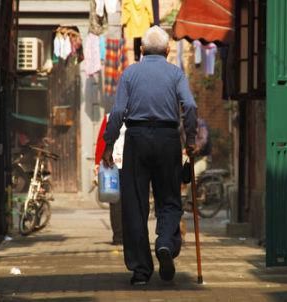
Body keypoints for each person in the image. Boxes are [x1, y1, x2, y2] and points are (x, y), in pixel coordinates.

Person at [101, 25, 198, 285]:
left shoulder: (130, 74)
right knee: (169, 199)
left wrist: (109, 145)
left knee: (135, 205)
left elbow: (119, 111)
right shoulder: (176, 74)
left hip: (136, 140)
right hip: (168, 141)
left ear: (141, 50)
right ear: (168, 51)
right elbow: (189, 105)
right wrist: (190, 140)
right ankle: (165, 243)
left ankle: (141, 271)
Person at [94, 113, 126, 245]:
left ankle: (118, 237)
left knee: (116, 202)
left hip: (116, 163)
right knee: (126, 202)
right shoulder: (138, 113)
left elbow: (102, 140)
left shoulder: (109, 116)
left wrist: (97, 162)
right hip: (122, 164)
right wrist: (97, 162)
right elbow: (101, 140)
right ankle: (124, 236)